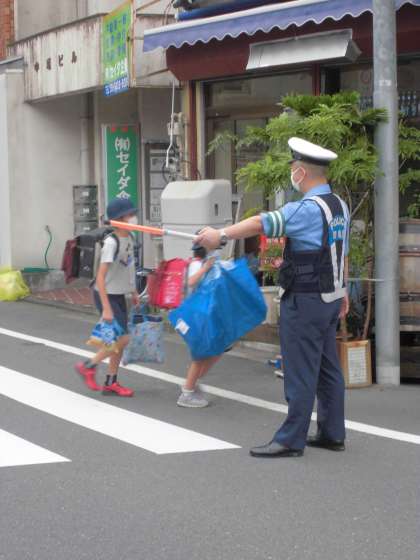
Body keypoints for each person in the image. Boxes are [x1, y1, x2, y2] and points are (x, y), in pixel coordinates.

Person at [197, 137, 350, 458]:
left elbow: (261, 223)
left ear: (301, 171)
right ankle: (332, 433)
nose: (292, 173)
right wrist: (344, 289)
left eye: (293, 168)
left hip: (306, 299)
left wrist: (219, 235)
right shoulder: (338, 205)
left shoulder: (306, 209)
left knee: (300, 370)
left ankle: (291, 440)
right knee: (327, 368)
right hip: (331, 297)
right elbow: (341, 251)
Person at [75, 198, 140, 397]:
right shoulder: (111, 243)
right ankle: (88, 366)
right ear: (119, 219)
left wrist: (133, 291)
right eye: (130, 215)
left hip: (119, 294)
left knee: (117, 341)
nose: (134, 218)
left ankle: (111, 382)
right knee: (122, 339)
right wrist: (106, 308)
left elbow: (128, 268)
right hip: (106, 295)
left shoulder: (130, 238)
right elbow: (101, 277)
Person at [177, 242, 222, 408]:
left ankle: (191, 384)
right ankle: (187, 392)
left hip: (200, 314)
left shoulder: (199, 263)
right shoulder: (197, 265)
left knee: (215, 350)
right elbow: (191, 282)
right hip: (197, 316)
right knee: (201, 355)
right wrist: (206, 267)